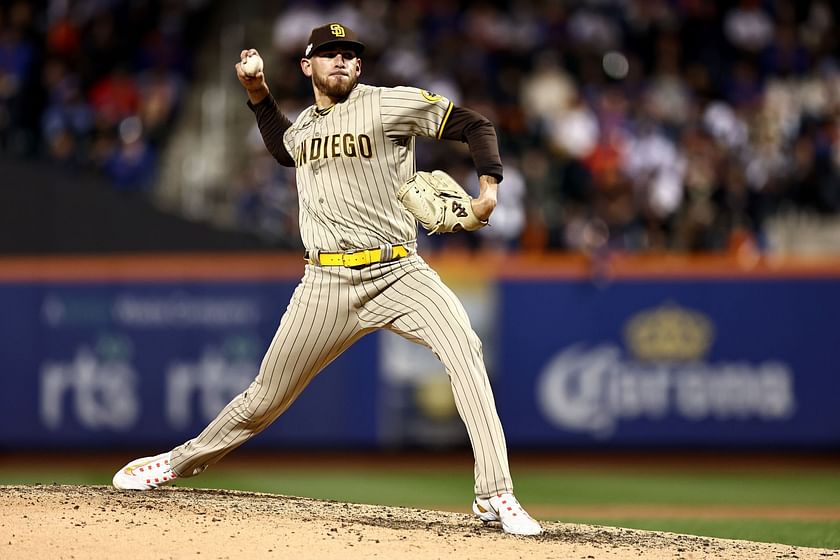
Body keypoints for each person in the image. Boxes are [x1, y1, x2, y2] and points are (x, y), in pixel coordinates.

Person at [112, 22, 542, 537]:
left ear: (359, 67)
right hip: (326, 284)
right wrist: (256, 92)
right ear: (307, 65)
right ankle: (174, 464)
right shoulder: (305, 130)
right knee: (264, 398)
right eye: (329, 53)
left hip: (399, 270)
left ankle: (495, 494)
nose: (340, 61)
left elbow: (476, 124)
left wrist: (489, 188)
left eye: (349, 55)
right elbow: (282, 147)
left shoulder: (388, 104)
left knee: (465, 349)